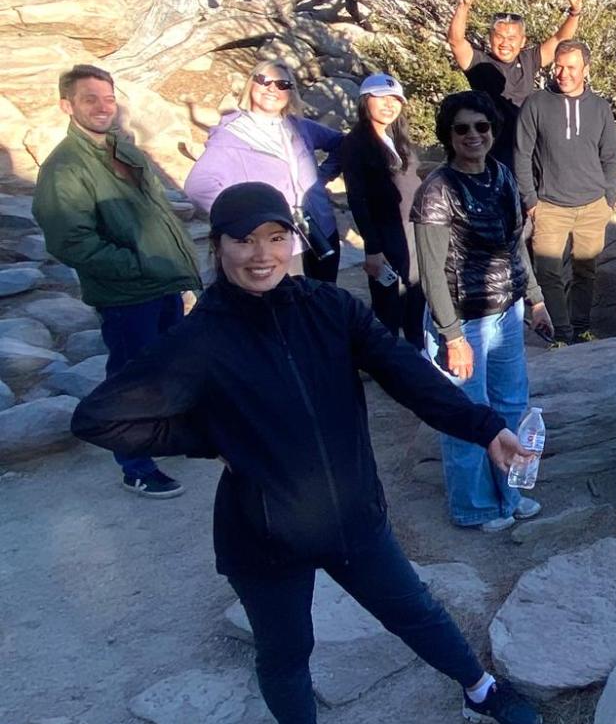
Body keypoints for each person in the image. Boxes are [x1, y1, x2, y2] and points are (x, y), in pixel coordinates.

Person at [71, 181, 544, 724]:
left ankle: (480, 689)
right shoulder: (200, 337)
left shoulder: (330, 308)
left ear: (293, 240)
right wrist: (212, 438)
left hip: (353, 514)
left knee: (416, 611)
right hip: (265, 536)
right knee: (286, 651)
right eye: (243, 239)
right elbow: (97, 418)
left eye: (274, 236)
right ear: (218, 247)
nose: (260, 254)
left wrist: (486, 428)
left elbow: (406, 373)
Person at [32, 65, 202, 498]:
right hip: (128, 294)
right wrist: (140, 265)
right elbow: (71, 242)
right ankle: (134, 465)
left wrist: (176, 270)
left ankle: (166, 436)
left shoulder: (123, 150)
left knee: (170, 366)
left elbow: (158, 216)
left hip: (161, 284)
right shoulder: (64, 167)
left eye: (108, 98)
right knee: (131, 378)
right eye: (90, 99)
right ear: (66, 106)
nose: (103, 107)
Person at [413, 92, 553, 532]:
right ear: (448, 135)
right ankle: (474, 507)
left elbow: (514, 247)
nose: (473, 135)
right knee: (468, 418)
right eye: (462, 128)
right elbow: (432, 271)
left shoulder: (503, 176)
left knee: (510, 406)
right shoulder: (436, 191)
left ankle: (509, 496)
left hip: (505, 312)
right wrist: (451, 336)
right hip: (462, 319)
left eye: (481, 127)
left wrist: (535, 298)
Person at [185, 59, 344, 282]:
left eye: (283, 84)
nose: (272, 88)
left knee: (325, 304)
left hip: (321, 231)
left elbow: (341, 144)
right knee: (289, 308)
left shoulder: (299, 126)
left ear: (291, 92)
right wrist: (244, 222)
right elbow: (199, 187)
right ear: (251, 84)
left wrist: (323, 176)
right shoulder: (232, 135)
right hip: (276, 244)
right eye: (264, 81)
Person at [513, 40, 616, 345]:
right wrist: (531, 201)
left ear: (586, 69)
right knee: (549, 274)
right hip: (550, 206)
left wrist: (608, 199)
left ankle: (582, 327)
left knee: (586, 271)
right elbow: (522, 154)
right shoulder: (536, 104)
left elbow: (610, 156)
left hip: (593, 205)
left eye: (571, 67)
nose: (563, 73)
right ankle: (560, 333)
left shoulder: (600, 107)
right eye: (558, 66)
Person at [446, 0, 585, 156]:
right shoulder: (479, 63)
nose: (505, 43)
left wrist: (574, 13)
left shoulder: (528, 59)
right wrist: (464, 5)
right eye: (500, 37)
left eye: (512, 38)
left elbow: (560, 39)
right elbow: (456, 41)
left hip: (526, 148)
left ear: (522, 41)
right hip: (491, 151)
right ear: (490, 38)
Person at [339, 73, 424, 344]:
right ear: (365, 102)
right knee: (388, 300)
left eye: (395, 99)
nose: (389, 104)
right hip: (386, 234)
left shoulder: (396, 137)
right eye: (381, 98)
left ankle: (417, 351)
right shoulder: (356, 144)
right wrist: (373, 249)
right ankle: (388, 359)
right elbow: (358, 198)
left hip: (412, 229)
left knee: (416, 294)